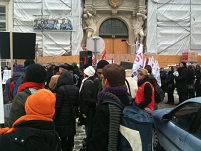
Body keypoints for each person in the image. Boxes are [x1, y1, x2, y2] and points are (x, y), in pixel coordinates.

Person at [88, 64, 130, 151]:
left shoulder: (105, 108)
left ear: (106, 82)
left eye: (102, 78)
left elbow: (97, 142)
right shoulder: (129, 99)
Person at [54, 71, 79, 151]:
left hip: (62, 114)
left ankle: (64, 148)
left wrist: (55, 114)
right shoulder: (75, 88)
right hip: (71, 114)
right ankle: (70, 148)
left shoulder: (61, 89)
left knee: (63, 133)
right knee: (71, 132)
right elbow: (77, 103)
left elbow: (58, 104)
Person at [79, 66, 95, 139]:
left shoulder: (87, 83)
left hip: (88, 110)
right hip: (92, 108)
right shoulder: (94, 80)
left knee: (88, 125)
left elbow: (85, 98)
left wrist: (84, 111)